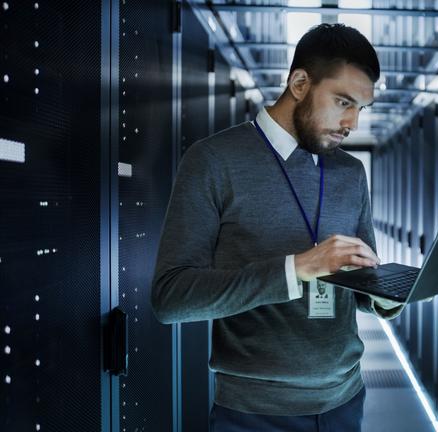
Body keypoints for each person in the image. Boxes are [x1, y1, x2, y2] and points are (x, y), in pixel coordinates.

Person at [150, 23, 404, 432]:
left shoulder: (351, 172)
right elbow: (171, 298)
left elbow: (359, 284)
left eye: (361, 108)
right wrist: (297, 268)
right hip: (254, 413)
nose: (352, 123)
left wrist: (390, 295)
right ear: (300, 83)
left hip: (346, 400)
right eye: (343, 102)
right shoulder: (213, 161)